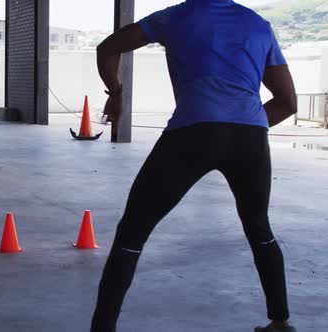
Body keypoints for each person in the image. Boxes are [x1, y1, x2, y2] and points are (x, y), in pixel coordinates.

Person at [91, 1, 298, 331]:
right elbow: (288, 103)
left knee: (133, 230)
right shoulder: (258, 25)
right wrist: (243, 129)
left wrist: (115, 93)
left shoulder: (175, 16)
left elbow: (108, 48)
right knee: (258, 226)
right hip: (250, 138)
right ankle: (280, 323)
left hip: (193, 132)